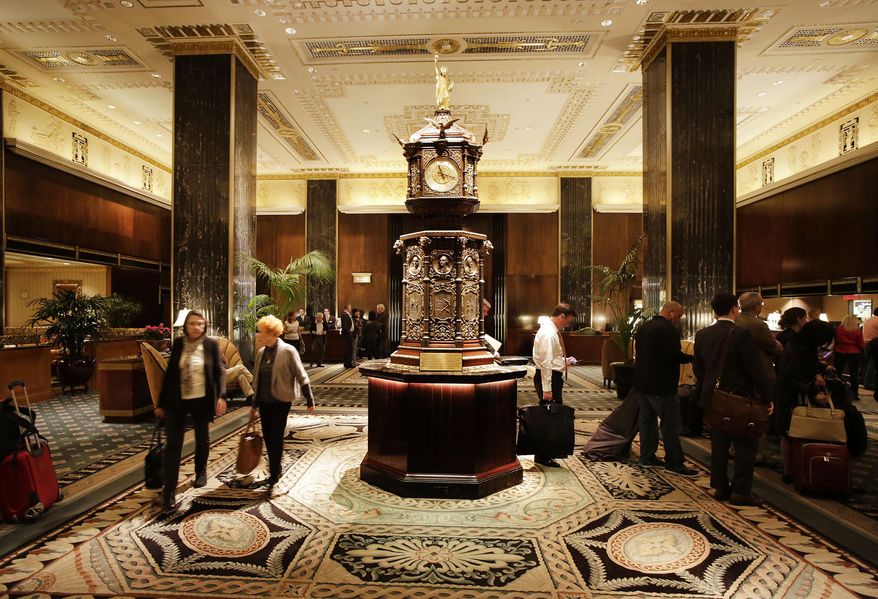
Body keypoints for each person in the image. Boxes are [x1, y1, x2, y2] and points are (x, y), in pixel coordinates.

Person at [693, 293, 774, 506]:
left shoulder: (702, 334)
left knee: (719, 443)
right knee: (745, 444)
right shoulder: (740, 334)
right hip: (738, 397)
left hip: (712, 397)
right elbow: (754, 369)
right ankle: (740, 491)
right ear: (733, 309)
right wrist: (766, 397)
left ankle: (720, 486)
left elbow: (698, 368)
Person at [154, 310, 226, 512]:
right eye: (193, 323)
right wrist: (160, 403)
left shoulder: (210, 345)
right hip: (177, 401)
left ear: (205, 326)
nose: (197, 327)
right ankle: (169, 492)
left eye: (201, 324)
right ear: (186, 326)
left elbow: (219, 370)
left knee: (202, 438)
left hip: (202, 400)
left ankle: (200, 471)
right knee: (173, 445)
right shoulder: (178, 343)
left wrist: (221, 396)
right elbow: (170, 374)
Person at [631, 301, 697, 476]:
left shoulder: (644, 327)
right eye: (679, 316)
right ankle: (675, 462)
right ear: (671, 312)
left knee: (647, 423)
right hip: (661, 385)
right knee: (670, 425)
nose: (679, 319)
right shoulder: (668, 330)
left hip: (642, 384)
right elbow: (673, 356)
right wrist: (692, 358)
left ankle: (647, 457)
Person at [250, 315, 315, 488]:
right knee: (268, 436)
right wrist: (254, 404)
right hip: (264, 401)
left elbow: (301, 375)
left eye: (262, 332)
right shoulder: (261, 353)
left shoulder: (288, 351)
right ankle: (275, 467)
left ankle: (274, 472)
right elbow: (257, 379)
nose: (259, 335)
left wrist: (309, 399)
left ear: (272, 333)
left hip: (281, 401)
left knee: (276, 436)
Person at [776, 319, 836, 480]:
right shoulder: (798, 350)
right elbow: (788, 377)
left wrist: (819, 370)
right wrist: (812, 391)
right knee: (790, 432)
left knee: (794, 432)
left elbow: (808, 365)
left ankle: (795, 469)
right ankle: (789, 471)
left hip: (795, 392)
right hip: (790, 395)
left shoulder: (800, 345)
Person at [531, 303, 578, 468]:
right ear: (562, 316)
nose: (568, 324)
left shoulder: (550, 331)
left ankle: (545, 453)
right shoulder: (549, 333)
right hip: (549, 378)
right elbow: (546, 363)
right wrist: (547, 389)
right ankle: (543, 455)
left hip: (551, 376)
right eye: (568, 321)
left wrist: (564, 361)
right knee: (549, 418)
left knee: (552, 417)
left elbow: (552, 358)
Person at [834, 314, 864, 400]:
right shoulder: (857, 330)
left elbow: (835, 341)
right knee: (854, 374)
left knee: (838, 373)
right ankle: (855, 394)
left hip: (840, 351)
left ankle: (836, 392)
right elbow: (861, 344)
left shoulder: (838, 329)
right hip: (854, 352)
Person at [864, 307, 878, 399]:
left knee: (868, 364)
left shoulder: (868, 320)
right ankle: (870, 384)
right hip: (875, 344)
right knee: (873, 364)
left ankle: (866, 382)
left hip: (865, 344)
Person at [340, 303, 355, 368]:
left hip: (349, 334)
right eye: (350, 307)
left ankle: (347, 363)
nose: (351, 308)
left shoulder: (347, 315)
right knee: (349, 350)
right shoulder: (344, 315)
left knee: (348, 349)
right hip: (347, 334)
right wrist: (349, 334)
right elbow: (345, 327)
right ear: (347, 308)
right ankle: (348, 363)